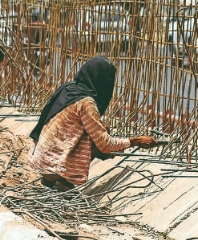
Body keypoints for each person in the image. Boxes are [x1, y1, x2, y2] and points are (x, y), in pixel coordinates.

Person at [27, 57, 156, 190]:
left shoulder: (68, 88)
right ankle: (64, 181)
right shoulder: (86, 103)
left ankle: (49, 180)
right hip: (54, 168)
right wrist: (135, 141)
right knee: (100, 137)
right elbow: (105, 144)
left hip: (39, 160)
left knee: (101, 129)